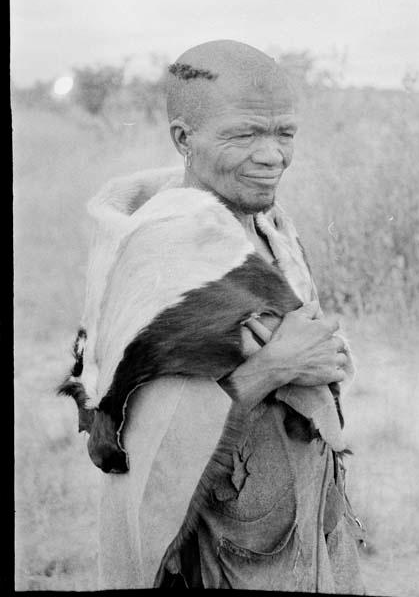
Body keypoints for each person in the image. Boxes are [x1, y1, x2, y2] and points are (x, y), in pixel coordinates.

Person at [86, 40, 366, 592]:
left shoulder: (267, 226)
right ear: (184, 138)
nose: (273, 156)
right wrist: (276, 366)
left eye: (284, 133)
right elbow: (157, 446)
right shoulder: (169, 247)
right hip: (218, 538)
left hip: (299, 517)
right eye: (245, 134)